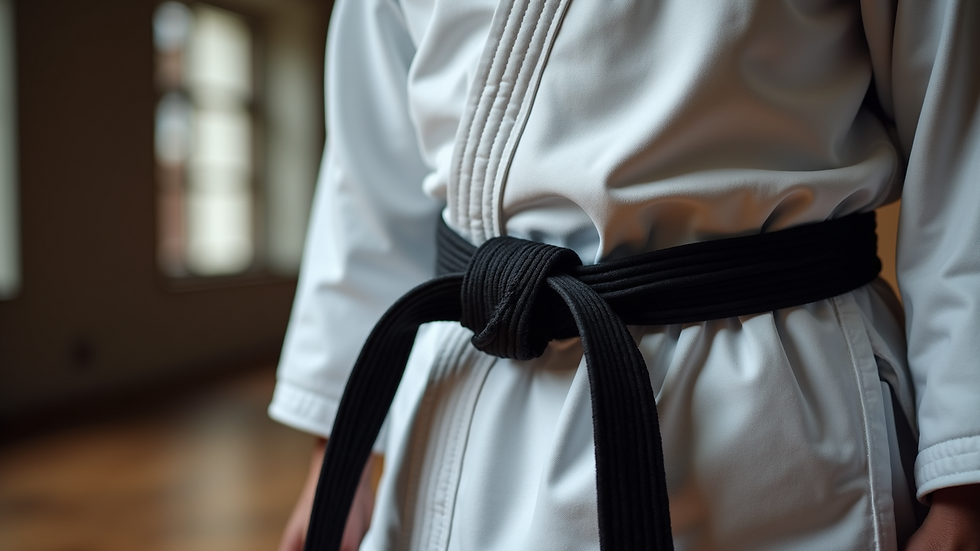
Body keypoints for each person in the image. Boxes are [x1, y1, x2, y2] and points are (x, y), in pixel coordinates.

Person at [271, 0, 980, 549]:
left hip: (766, 417)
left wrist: (965, 481)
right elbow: (370, 174)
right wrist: (338, 449)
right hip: (461, 396)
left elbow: (963, 153)